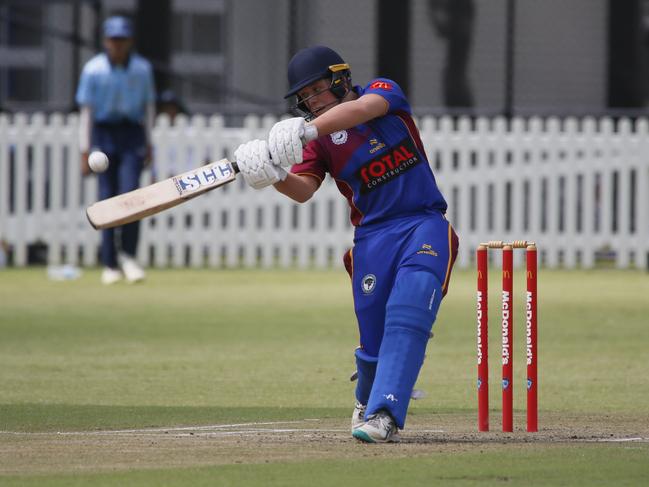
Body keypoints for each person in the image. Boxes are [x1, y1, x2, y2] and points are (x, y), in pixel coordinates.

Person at [234, 45, 459, 443]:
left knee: (411, 306)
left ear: (340, 79)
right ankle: (366, 397)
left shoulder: (382, 93)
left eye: (316, 90)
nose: (310, 102)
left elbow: (362, 109)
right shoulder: (319, 142)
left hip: (423, 222)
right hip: (372, 238)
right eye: (303, 98)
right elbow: (302, 190)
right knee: (373, 340)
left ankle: (384, 413)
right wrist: (271, 174)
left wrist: (307, 128)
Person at [76, 16, 156, 284]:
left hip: (132, 134)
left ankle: (129, 257)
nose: (117, 45)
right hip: (104, 133)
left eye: (122, 40)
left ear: (129, 41)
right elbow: (87, 112)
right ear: (106, 41)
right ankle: (110, 263)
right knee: (106, 198)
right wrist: (85, 150)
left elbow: (148, 108)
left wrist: (149, 142)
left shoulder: (142, 69)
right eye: (113, 40)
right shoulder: (93, 70)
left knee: (132, 194)